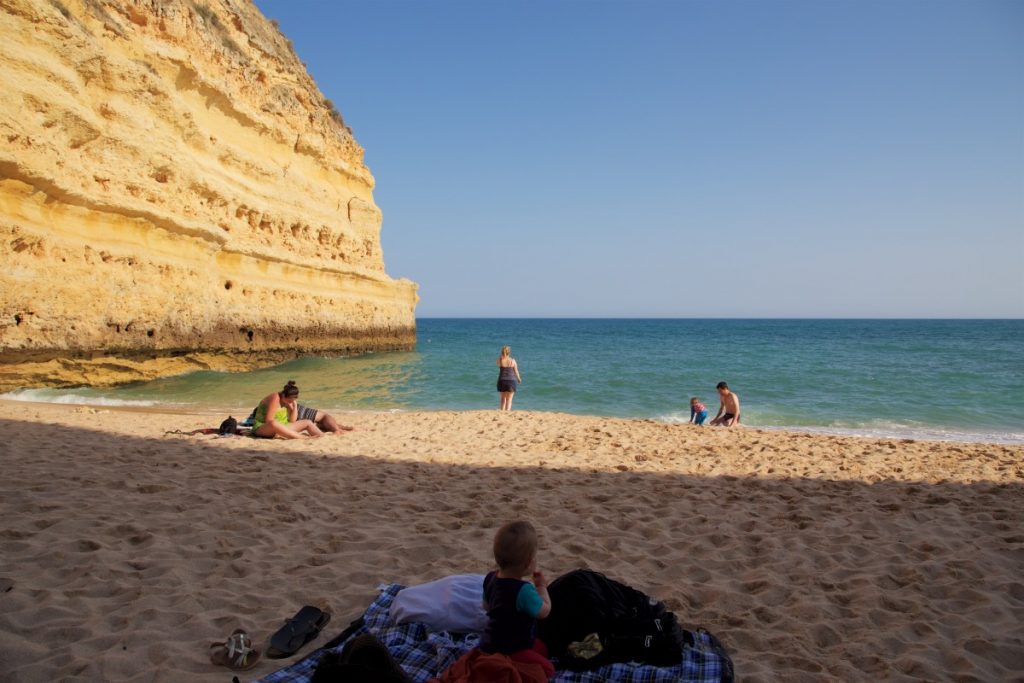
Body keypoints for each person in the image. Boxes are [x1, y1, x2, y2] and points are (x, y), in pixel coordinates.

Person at [480, 521, 554, 678]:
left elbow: (486, 606)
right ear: (528, 563)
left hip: (489, 643)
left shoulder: (490, 578)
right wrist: (541, 588)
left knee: (542, 649)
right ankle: (509, 667)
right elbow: (544, 612)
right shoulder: (524, 590)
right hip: (511, 649)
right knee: (548, 670)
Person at [252, 381, 324, 439]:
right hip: (263, 428)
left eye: (293, 400)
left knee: (307, 422)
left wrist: (294, 406)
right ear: (283, 395)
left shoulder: (288, 402)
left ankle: (321, 436)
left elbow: (292, 420)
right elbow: (269, 420)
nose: (291, 402)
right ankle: (303, 438)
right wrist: (281, 430)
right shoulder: (275, 397)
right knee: (273, 423)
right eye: (289, 400)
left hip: (282, 428)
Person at [496, 346, 523, 411]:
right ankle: (507, 412)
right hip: (511, 381)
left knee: (503, 398)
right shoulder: (513, 361)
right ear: (509, 352)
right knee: (509, 399)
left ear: (502, 352)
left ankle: (502, 411)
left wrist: (502, 357)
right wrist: (519, 378)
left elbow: (497, 364)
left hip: (502, 380)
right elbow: (516, 371)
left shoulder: (500, 360)